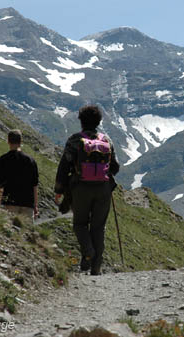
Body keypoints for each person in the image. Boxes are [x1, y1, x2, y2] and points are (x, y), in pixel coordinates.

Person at [55, 105, 119, 275]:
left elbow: (64, 166)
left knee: (80, 224)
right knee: (98, 227)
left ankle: (88, 251)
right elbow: (115, 167)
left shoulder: (75, 140)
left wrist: (59, 189)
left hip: (80, 188)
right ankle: (96, 268)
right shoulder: (107, 140)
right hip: (103, 189)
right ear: (98, 121)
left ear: (81, 121)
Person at [0, 129, 39, 224]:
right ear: (20, 142)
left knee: (10, 234)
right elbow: (35, 185)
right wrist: (35, 206)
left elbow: (0, 185)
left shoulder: (2, 160)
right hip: (27, 205)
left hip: (9, 204)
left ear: (8, 141)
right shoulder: (31, 161)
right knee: (26, 234)